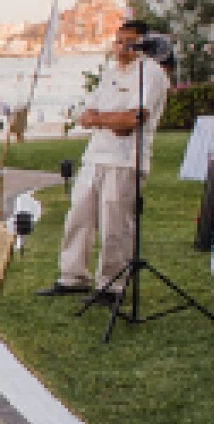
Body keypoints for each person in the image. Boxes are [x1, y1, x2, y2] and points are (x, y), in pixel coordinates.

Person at [41, 19, 168, 299]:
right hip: (94, 157)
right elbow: (86, 115)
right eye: (119, 41)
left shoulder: (151, 74)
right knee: (78, 216)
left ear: (143, 45)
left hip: (125, 161)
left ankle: (111, 285)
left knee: (115, 225)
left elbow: (131, 120)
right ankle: (72, 277)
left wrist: (101, 119)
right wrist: (103, 119)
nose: (122, 47)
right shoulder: (110, 73)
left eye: (130, 42)